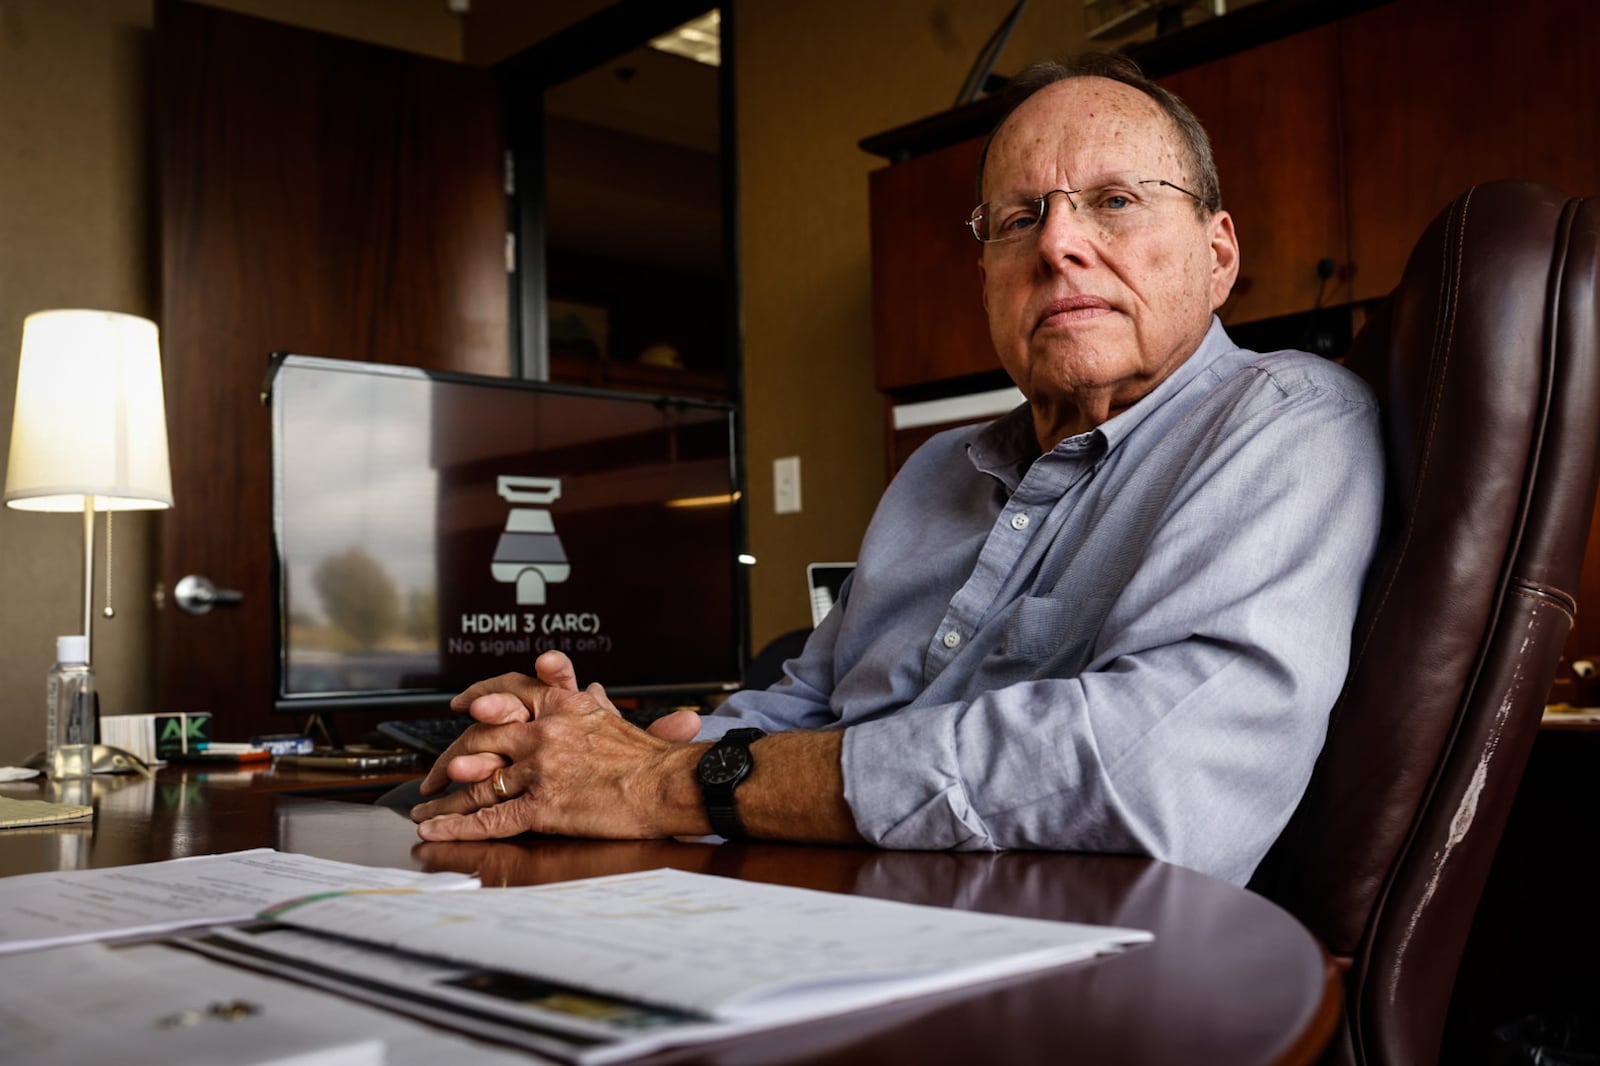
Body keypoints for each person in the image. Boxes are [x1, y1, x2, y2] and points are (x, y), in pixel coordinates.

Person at [408, 53, 1384, 886]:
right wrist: (579, 745)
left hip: (1044, 963)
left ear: (1218, 254)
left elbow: (1158, 770)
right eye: (1014, 221)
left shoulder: (1285, 419)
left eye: (1115, 201)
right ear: (988, 282)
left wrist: (663, 784)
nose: (1055, 242)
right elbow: (802, 701)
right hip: (805, 900)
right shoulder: (930, 475)